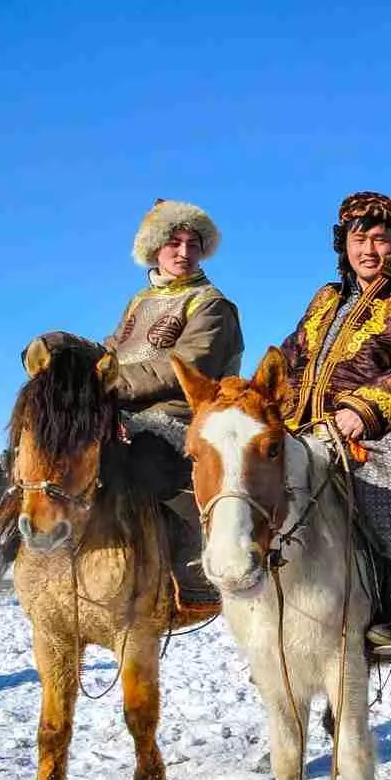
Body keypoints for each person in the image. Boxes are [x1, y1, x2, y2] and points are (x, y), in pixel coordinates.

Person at [277, 192, 391, 663]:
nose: (369, 249)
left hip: (378, 428)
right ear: (343, 245)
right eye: (359, 238)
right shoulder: (323, 299)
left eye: (380, 239)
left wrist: (363, 409)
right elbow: (290, 359)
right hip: (305, 426)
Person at [102, 199, 244, 609]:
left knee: (146, 459)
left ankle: (195, 558)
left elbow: (184, 367)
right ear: (154, 249)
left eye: (193, 244)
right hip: (129, 406)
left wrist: (112, 388)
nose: (184, 252)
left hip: (185, 412)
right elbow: (113, 351)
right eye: (174, 243)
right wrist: (71, 357)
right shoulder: (139, 301)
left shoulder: (211, 304)